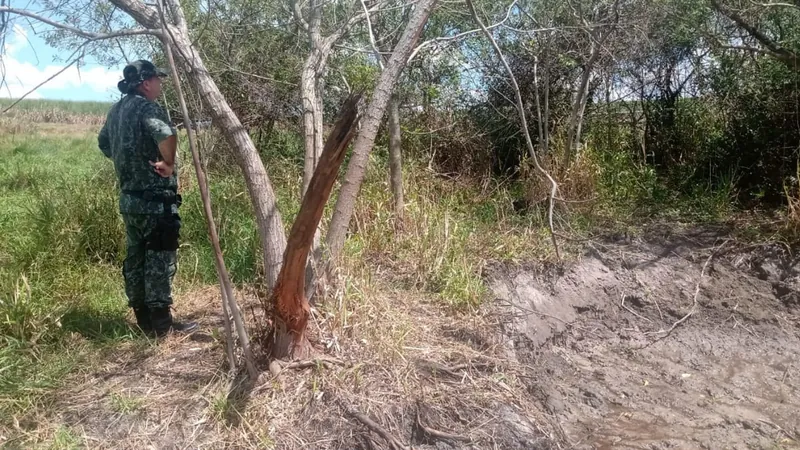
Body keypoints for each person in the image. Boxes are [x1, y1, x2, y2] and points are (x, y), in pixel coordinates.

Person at [98, 60, 197, 337]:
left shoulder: (115, 111)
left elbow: (104, 143)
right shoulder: (147, 107)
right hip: (155, 202)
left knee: (136, 258)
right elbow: (166, 133)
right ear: (145, 83)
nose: (160, 84)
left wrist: (126, 159)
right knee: (158, 260)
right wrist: (168, 162)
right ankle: (162, 327)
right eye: (157, 79)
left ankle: (143, 320)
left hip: (130, 201)